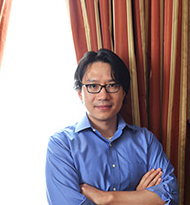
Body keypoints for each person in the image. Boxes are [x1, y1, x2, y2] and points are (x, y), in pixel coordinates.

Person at [45, 49, 179, 205]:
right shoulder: (61, 145)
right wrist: (139, 197)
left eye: (112, 85)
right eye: (93, 86)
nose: (103, 95)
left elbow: (171, 195)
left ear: (124, 92)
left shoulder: (145, 140)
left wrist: (106, 199)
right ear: (80, 93)